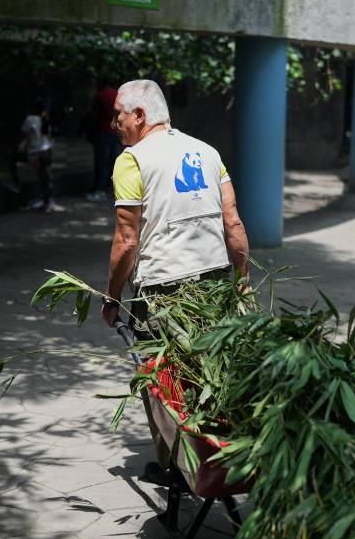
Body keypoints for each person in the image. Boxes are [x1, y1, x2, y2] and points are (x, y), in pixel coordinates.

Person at [99, 79, 250, 479]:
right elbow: (232, 222)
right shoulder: (207, 151)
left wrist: (112, 297)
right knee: (214, 370)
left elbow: (127, 240)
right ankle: (224, 451)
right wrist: (244, 278)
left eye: (118, 115)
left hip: (164, 292)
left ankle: (175, 465)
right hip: (217, 283)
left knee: (163, 380)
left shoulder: (133, 160)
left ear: (140, 116)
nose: (114, 123)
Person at [20, 98, 61, 212]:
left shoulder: (30, 119)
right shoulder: (45, 118)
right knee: (46, 176)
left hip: (36, 152)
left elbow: (24, 134)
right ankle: (46, 200)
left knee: (41, 176)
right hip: (47, 150)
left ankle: (45, 201)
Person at [85, 81, 121, 201]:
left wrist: (89, 130)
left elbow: (94, 114)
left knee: (101, 161)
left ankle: (100, 189)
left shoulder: (100, 95)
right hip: (115, 131)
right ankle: (111, 189)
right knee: (113, 161)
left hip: (102, 131)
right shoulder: (118, 94)